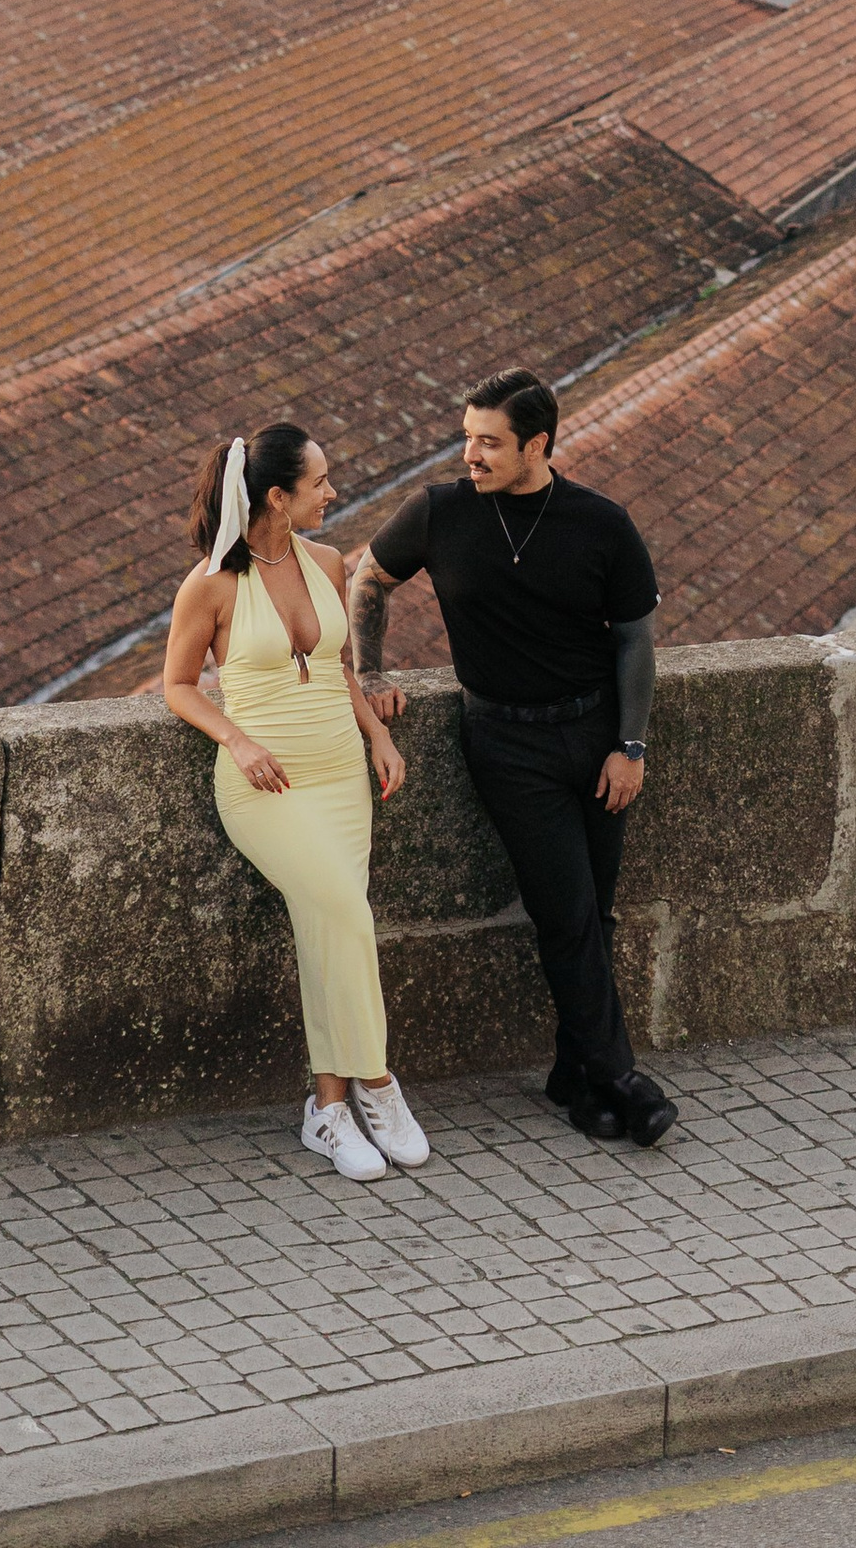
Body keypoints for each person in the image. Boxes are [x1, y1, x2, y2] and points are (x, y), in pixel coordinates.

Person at [349, 368, 676, 1151]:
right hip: (505, 744)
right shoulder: (440, 512)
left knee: (594, 913)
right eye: (468, 438)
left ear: (537, 445)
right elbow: (369, 579)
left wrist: (630, 746)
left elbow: (635, 638)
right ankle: (622, 1077)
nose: (471, 455)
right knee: (566, 912)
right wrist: (371, 672)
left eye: (489, 442)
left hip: (594, 735)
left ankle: (576, 1078)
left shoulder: (600, 523)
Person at [162, 420, 431, 1183]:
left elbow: (337, 665)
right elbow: (179, 685)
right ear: (277, 497)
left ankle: (328, 1111)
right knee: (348, 914)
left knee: (326, 929)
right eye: (319, 482)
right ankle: (378, 1083)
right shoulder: (210, 583)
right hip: (265, 785)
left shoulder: (326, 560)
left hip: (340, 773)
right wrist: (238, 741)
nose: (332, 492)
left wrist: (377, 734)